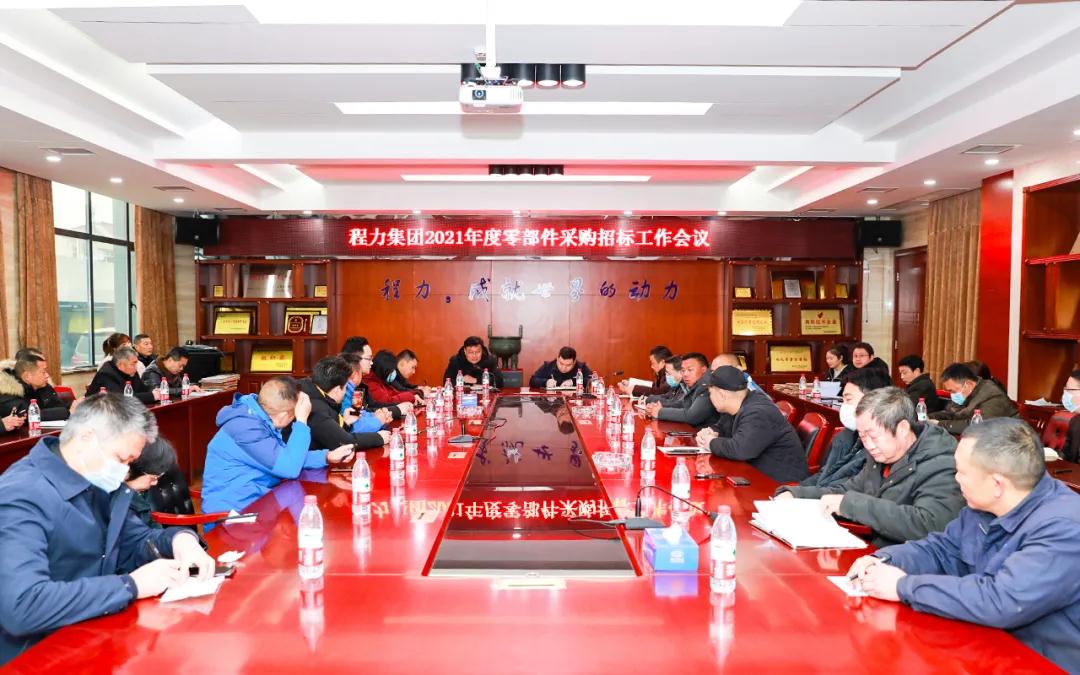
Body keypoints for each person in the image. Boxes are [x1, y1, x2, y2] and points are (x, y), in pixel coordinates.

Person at [846, 418, 1080, 672]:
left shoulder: (1064, 528)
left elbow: (1001, 600)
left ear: (997, 484)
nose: (956, 480)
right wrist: (885, 560)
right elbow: (941, 549)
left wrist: (903, 587)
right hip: (982, 645)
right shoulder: (985, 505)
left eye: (961, 472)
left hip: (1041, 663)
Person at [0, 393, 215, 665]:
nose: (124, 472)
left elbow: (136, 542)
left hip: (94, 637)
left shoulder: (97, 481)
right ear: (86, 438)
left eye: (130, 463)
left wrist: (181, 540)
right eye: (121, 459)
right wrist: (131, 586)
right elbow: (22, 605)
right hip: (37, 656)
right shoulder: (20, 495)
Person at [776, 387, 964, 547]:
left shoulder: (941, 462)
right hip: (871, 551)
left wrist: (852, 505)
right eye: (862, 437)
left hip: (907, 564)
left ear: (902, 428)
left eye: (873, 436)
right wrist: (797, 494)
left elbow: (929, 524)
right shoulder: (882, 455)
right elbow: (848, 490)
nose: (868, 445)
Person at [201, 376, 356, 515]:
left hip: (259, 505)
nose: (294, 420)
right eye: (293, 416)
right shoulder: (246, 428)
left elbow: (284, 456)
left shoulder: (257, 417)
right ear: (283, 416)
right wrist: (302, 421)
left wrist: (326, 456)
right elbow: (290, 468)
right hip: (232, 517)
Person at [694, 366, 808, 483]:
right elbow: (720, 427)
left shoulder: (758, 412)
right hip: (754, 476)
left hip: (780, 486)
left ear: (722, 395)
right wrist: (708, 433)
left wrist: (710, 442)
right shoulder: (737, 406)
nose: (710, 398)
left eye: (710, 393)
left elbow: (740, 450)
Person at [798, 368, 892, 488]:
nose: (844, 406)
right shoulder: (844, 436)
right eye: (842, 400)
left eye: (848, 400)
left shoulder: (881, 449)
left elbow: (846, 489)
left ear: (874, 400)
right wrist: (796, 490)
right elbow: (824, 474)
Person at [297, 356, 391, 453]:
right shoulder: (315, 407)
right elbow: (344, 442)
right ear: (337, 389)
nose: (346, 391)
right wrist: (379, 438)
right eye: (346, 387)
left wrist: (346, 423)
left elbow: (331, 433)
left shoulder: (314, 392)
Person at [930, 362, 1018, 434]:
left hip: (1010, 441)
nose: (951, 394)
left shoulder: (993, 396)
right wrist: (929, 417)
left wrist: (939, 424)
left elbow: (978, 426)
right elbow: (953, 414)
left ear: (968, 384)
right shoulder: (966, 393)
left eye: (952, 391)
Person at [644, 353, 719, 428]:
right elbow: (682, 404)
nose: (685, 374)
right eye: (683, 370)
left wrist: (660, 412)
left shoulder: (708, 386)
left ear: (704, 370)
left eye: (690, 370)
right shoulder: (694, 384)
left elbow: (692, 416)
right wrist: (657, 408)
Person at [125, 437, 179, 529]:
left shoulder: (141, 492)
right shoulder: (118, 507)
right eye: (153, 478)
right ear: (132, 469)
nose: (155, 483)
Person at [1, 353, 72, 421]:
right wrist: (66, 412)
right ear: (27, 376)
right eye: (43, 372)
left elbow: (57, 405)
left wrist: (72, 406)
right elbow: (26, 416)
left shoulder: (41, 386)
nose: (47, 375)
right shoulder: (9, 390)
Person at [86, 346, 159, 405]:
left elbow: (142, 389)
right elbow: (121, 399)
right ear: (120, 364)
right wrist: (152, 396)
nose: (136, 366)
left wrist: (154, 391)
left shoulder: (131, 370)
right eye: (133, 363)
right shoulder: (106, 374)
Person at [340, 352, 393, 433]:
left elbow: (360, 414)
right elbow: (354, 427)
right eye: (361, 372)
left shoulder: (354, 391)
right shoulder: (343, 394)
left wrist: (376, 415)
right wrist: (378, 421)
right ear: (355, 374)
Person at [529, 346, 593, 389]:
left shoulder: (581, 367)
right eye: (561, 363)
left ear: (574, 362)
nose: (563, 368)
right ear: (557, 358)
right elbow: (532, 381)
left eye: (568, 365)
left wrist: (573, 382)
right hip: (552, 402)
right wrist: (546, 382)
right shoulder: (548, 366)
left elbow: (592, 381)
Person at [1059, 369, 1080, 463]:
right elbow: (1066, 455)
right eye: (1065, 389)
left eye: (1069, 390)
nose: (1065, 395)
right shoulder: (1075, 421)